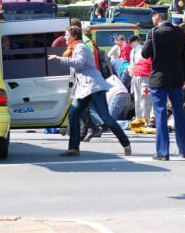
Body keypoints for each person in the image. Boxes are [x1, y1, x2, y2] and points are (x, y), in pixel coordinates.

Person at [48, 26, 131, 157]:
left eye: (66, 34)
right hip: (85, 88)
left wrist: (59, 59)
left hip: (93, 86)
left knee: (106, 118)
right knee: (73, 115)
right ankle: (73, 148)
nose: (64, 37)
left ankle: (126, 143)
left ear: (74, 36)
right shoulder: (74, 47)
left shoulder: (80, 47)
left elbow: (79, 63)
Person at [141, 5, 185, 160]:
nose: (152, 19)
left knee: (161, 113)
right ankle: (183, 149)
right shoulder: (179, 32)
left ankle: (163, 152)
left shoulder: (154, 33)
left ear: (157, 16)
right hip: (176, 77)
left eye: (153, 16)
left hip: (159, 78)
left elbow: (145, 53)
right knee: (179, 113)